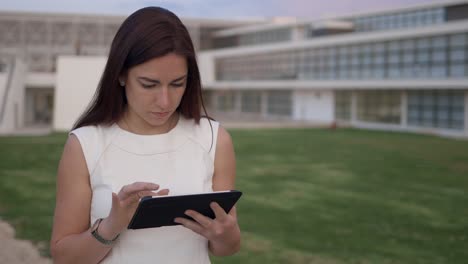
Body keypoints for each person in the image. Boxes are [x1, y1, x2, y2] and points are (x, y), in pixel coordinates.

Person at [50, 6, 240, 264]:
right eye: (149, 84)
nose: (164, 101)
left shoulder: (213, 139)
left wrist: (225, 235)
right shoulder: (86, 144)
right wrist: (111, 226)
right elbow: (64, 257)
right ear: (120, 75)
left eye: (177, 84)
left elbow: (227, 248)